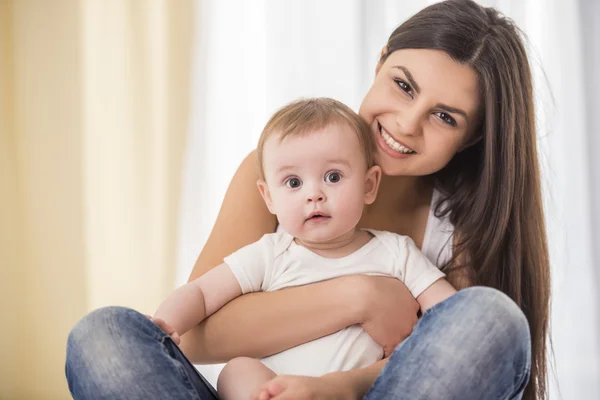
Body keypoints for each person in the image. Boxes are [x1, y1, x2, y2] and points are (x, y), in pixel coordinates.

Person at [65, 0, 551, 399]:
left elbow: (447, 349)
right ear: (380, 61)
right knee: (102, 338)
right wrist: (360, 296)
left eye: (445, 117)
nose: (407, 123)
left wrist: (335, 389)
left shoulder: (457, 226)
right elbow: (194, 336)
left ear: (470, 139)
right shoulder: (283, 174)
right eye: (403, 86)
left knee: (493, 316)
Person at [150, 98, 458, 400]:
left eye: (333, 177)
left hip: (358, 392)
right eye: (294, 182)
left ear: (368, 186)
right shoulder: (270, 254)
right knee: (237, 371)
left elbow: (454, 314)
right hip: (275, 389)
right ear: (268, 197)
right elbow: (202, 293)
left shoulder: (396, 252)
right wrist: (163, 325)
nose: (314, 194)